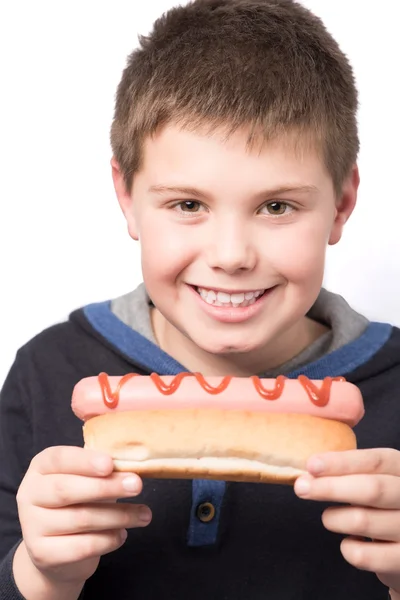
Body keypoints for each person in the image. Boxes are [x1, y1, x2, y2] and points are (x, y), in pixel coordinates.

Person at [1, 0, 400, 598]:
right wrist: (41, 575)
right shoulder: (47, 369)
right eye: (188, 205)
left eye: (277, 206)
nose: (232, 254)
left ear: (341, 204)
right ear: (128, 198)